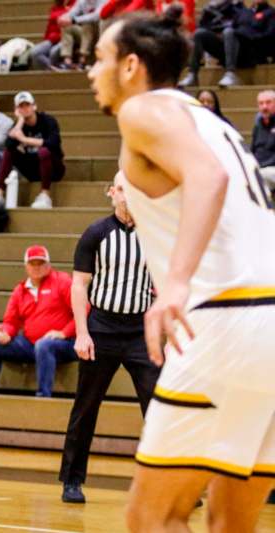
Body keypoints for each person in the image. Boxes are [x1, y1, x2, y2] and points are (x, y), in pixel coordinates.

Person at [89, 11, 275, 531]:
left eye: (100, 58)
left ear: (131, 66)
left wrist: (174, 283)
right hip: (269, 326)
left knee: (154, 519)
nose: (90, 71)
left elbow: (207, 178)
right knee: (231, 524)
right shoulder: (211, 121)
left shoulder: (143, 110)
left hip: (226, 321)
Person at [59, 172, 159, 504]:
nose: (128, 195)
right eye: (122, 189)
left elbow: (164, 284)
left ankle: (168, 483)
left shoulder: (155, 234)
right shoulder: (96, 233)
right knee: (86, 407)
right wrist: (82, 333)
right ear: (111, 192)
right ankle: (72, 480)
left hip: (140, 333)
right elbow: (79, 285)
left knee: (161, 409)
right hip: (101, 328)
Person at [0, 245, 78, 397]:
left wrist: (64, 332)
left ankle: (43, 395)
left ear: (48, 265)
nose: (36, 267)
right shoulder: (20, 290)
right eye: (32, 263)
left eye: (41, 263)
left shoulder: (62, 281)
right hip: (30, 344)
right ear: (26, 267)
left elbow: (84, 311)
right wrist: (6, 333)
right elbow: (11, 320)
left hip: (64, 344)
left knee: (44, 345)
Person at [178, 0, 270, 88]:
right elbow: (205, 27)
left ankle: (231, 73)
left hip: (243, 52)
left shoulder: (241, 8)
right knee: (199, 33)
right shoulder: (212, 10)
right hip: (224, 50)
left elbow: (245, 31)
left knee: (228, 32)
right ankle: (192, 74)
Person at [0, 91, 65, 209]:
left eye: (27, 105)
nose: (25, 109)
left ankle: (45, 195)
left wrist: (24, 139)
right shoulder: (19, 126)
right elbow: (8, 145)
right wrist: (19, 122)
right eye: (21, 106)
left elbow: (54, 143)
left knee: (44, 151)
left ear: (34, 106)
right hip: (33, 170)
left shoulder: (48, 120)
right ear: (17, 110)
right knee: (9, 152)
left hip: (54, 169)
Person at [57, 0, 107, 69]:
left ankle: (83, 60)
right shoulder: (81, 1)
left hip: (101, 34)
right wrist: (63, 18)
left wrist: (74, 20)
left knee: (88, 24)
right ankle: (67, 62)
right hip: (86, 35)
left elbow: (97, 16)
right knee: (66, 25)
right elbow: (72, 13)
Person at [31, 0, 72, 70]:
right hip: (51, 39)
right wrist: (46, 39)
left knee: (53, 52)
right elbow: (49, 26)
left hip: (65, 39)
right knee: (35, 52)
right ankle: (52, 68)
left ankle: (54, 70)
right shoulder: (55, 8)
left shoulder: (73, 8)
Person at [252, 89, 275, 189]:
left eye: (268, 103)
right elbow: (253, 149)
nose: (264, 107)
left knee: (261, 177)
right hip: (259, 166)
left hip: (271, 168)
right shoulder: (258, 125)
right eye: (261, 103)